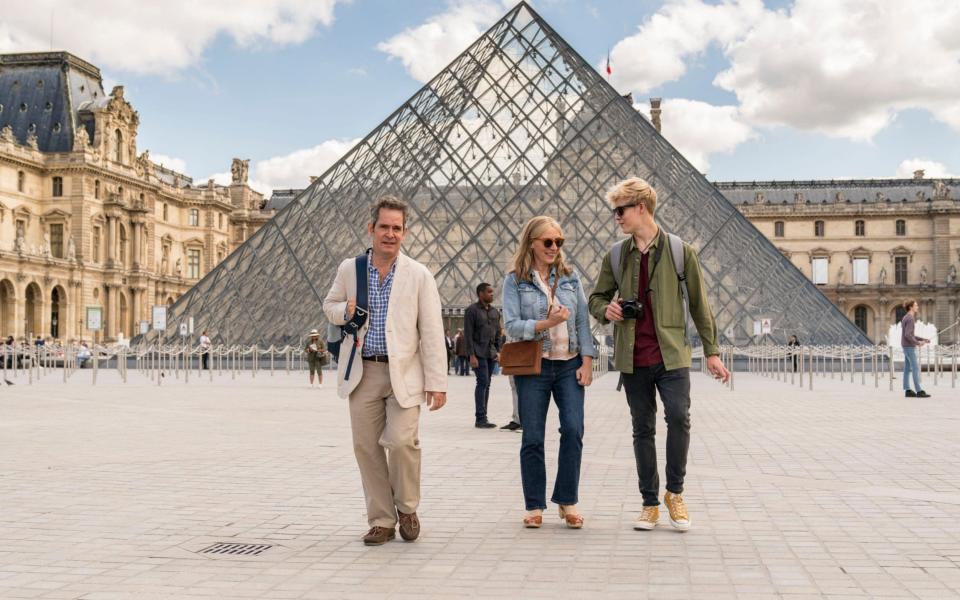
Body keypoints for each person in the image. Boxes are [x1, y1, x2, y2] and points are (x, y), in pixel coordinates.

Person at [589, 177, 730, 533]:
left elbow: (700, 306)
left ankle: (675, 493)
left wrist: (712, 352)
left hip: (672, 354)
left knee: (680, 419)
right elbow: (596, 298)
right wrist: (607, 310)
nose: (616, 217)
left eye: (620, 210)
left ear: (641, 208)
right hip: (633, 355)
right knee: (643, 429)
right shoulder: (617, 255)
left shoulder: (682, 252)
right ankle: (649, 502)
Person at [323, 195, 447, 546]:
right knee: (366, 447)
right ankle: (381, 519)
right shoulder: (351, 268)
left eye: (397, 228)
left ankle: (406, 507)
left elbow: (432, 331)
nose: (390, 234)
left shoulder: (419, 275)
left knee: (403, 441)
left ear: (405, 233)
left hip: (404, 372)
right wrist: (344, 311)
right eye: (384, 227)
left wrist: (437, 382)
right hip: (363, 371)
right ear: (371, 228)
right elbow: (329, 305)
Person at [503, 215, 596, 529]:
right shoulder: (514, 280)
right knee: (532, 437)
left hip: (569, 364)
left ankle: (567, 499)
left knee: (573, 430)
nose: (554, 247)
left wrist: (587, 360)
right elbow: (512, 325)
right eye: (548, 241)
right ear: (531, 242)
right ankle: (534, 505)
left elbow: (582, 320)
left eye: (559, 242)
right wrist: (547, 324)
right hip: (535, 367)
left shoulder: (570, 277)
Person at [464, 282, 502, 428]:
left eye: (492, 292)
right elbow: (468, 334)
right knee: (483, 382)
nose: (492, 294)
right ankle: (480, 418)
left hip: (490, 353)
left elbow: (498, 333)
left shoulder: (495, 312)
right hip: (478, 352)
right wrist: (471, 355)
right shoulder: (471, 311)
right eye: (489, 292)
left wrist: (498, 351)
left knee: (487, 383)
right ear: (481, 294)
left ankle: (483, 416)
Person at [901, 299, 931, 398]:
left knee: (906, 369)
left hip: (906, 346)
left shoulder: (905, 317)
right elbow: (908, 335)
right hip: (909, 347)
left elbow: (910, 335)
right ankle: (919, 391)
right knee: (915, 368)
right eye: (916, 305)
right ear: (911, 307)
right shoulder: (910, 319)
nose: (917, 307)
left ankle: (907, 390)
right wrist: (918, 343)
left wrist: (923, 339)